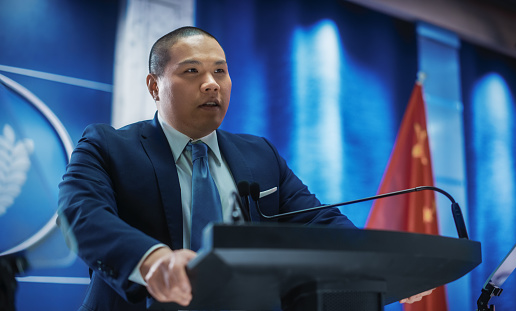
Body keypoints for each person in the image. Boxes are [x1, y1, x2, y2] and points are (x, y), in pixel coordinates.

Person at [57, 26, 430, 311]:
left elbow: (320, 222)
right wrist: (152, 259)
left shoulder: (260, 154)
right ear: (155, 86)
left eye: (220, 71)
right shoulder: (108, 145)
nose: (210, 84)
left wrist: (385, 267)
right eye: (191, 71)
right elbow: (79, 212)